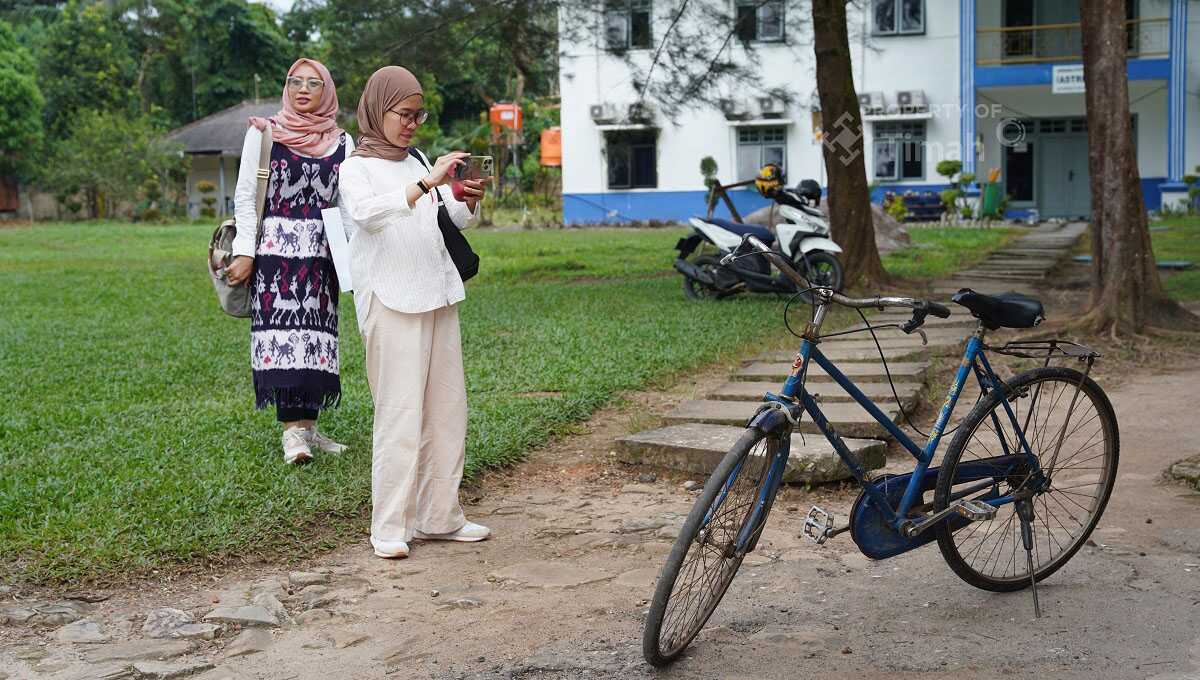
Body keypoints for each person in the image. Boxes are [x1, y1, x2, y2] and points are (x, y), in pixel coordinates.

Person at [338, 66, 489, 559]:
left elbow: (446, 218)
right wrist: (428, 182)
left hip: (438, 292)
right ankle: (389, 525)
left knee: (448, 411)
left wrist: (466, 198)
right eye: (403, 114)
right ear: (377, 110)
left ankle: (440, 516)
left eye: (417, 115)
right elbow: (369, 215)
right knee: (400, 414)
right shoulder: (355, 166)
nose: (410, 124)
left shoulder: (418, 159)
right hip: (391, 298)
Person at [226, 58, 354, 465]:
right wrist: (246, 251)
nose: (303, 89)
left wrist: (353, 259)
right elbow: (246, 197)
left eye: (313, 83)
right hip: (274, 253)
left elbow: (347, 207)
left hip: (321, 255)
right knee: (283, 343)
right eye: (295, 82)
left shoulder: (343, 143)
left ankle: (310, 429)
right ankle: (290, 435)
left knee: (316, 342)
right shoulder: (264, 135)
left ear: (326, 91)